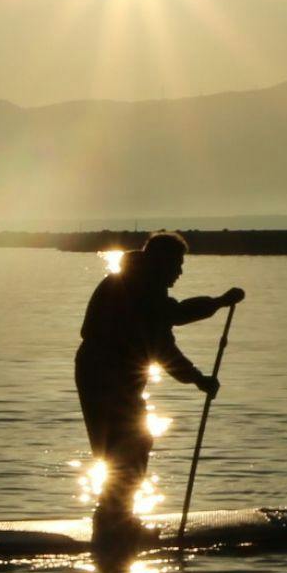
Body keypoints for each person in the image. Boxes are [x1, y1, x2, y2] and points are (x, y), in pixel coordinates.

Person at [73, 231, 242, 549]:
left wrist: (198, 376)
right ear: (160, 261)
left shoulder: (141, 285)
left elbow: (167, 334)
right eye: (177, 263)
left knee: (130, 445)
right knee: (125, 447)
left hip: (110, 377)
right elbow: (169, 331)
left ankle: (116, 520)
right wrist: (218, 304)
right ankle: (114, 525)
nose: (180, 271)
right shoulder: (134, 286)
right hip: (103, 376)